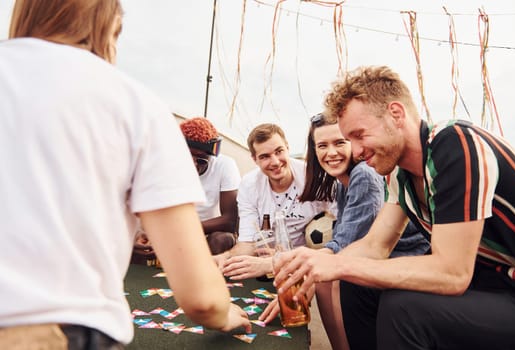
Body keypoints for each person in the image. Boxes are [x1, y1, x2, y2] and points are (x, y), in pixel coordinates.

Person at [0, 1, 250, 348]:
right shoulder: (135, 105)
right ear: (109, 26)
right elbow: (201, 297)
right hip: (53, 331)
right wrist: (226, 315)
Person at [273, 65, 515, 350]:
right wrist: (315, 267)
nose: (355, 151)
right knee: (356, 283)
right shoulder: (398, 173)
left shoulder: (456, 144)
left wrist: (338, 263)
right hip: (488, 284)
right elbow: (374, 246)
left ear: (396, 114)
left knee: (403, 309)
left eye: (359, 135)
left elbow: (452, 273)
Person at [259, 113, 428, 350]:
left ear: (352, 143)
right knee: (323, 276)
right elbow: (343, 240)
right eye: (322, 146)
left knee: (331, 279)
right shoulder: (342, 182)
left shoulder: (364, 175)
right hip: (380, 254)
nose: (331, 152)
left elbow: (347, 242)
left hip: (405, 256)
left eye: (339, 143)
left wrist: (298, 269)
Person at [215, 123, 333, 280]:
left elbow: (339, 234)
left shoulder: (314, 179)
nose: (275, 162)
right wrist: (225, 257)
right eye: (265, 156)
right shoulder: (249, 185)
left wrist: (281, 258)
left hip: (306, 264)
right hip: (262, 265)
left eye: (279, 151)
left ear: (287, 148)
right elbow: (247, 242)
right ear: (254, 159)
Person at [134, 117, 240, 255]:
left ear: (211, 156)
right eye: (188, 158)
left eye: (201, 160)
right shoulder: (164, 164)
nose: (194, 166)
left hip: (206, 233)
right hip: (171, 231)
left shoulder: (225, 165)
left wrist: (182, 230)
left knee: (221, 239)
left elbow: (230, 221)